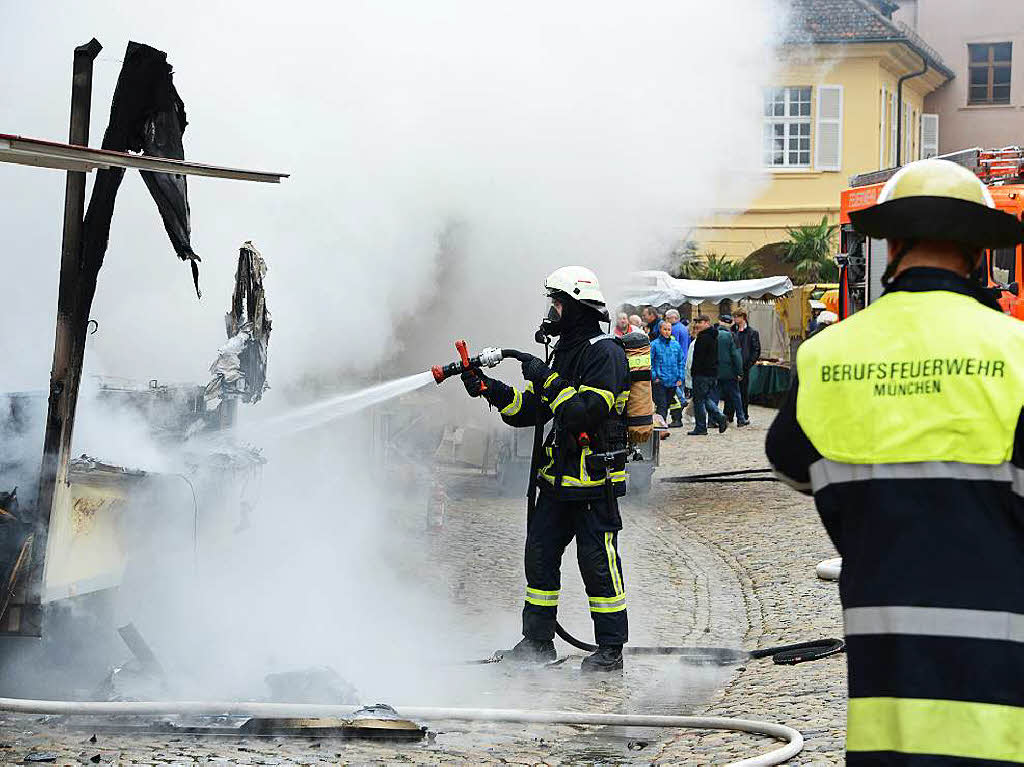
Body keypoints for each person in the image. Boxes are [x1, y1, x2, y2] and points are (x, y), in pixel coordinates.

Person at [765, 159, 1024, 765]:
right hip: (1004, 675)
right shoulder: (1016, 353)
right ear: (979, 252)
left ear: (892, 244)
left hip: (885, 670)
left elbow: (790, 462)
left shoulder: (829, 355)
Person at [462, 265, 630, 673]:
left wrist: (548, 379)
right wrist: (489, 389)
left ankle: (610, 648)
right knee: (539, 558)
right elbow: (532, 411)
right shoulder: (565, 353)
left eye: (558, 302)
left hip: (593, 481)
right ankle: (537, 641)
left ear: (576, 305)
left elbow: (583, 413)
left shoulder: (604, 352)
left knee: (597, 562)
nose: (552, 310)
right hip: (556, 482)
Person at [686, 315, 727, 435]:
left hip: (702, 374)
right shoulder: (713, 336)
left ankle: (702, 426)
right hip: (711, 373)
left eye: (700, 322)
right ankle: (719, 417)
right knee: (704, 398)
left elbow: (699, 359)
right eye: (697, 322)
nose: (698, 324)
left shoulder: (703, 338)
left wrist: (694, 372)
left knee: (699, 400)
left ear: (707, 323)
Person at [729, 309, 760, 424]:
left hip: (744, 367)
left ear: (743, 317)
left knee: (743, 392)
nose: (735, 319)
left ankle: (743, 415)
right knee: (730, 392)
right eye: (734, 316)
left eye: (737, 316)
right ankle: (729, 415)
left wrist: (748, 364)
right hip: (732, 366)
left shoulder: (752, 332)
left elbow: (756, 350)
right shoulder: (732, 330)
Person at [650, 320, 684, 425]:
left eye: (669, 329)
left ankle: (662, 424)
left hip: (672, 380)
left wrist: (680, 377)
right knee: (662, 405)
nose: (667, 332)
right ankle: (661, 427)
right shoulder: (654, 345)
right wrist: (654, 376)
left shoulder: (675, 345)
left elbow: (680, 361)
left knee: (668, 404)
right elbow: (650, 362)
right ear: (660, 330)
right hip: (659, 380)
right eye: (665, 329)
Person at [715, 314, 746, 427]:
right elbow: (736, 355)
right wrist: (739, 372)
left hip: (715, 372)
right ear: (730, 323)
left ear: (719, 322)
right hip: (730, 372)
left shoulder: (713, 335)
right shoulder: (732, 336)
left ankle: (713, 420)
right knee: (736, 396)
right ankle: (741, 419)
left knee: (714, 397)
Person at [665, 309, 690, 425]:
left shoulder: (674, 329)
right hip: (684, 359)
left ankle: (681, 402)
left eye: (667, 318)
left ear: (673, 318)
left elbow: (672, 346)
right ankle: (679, 412)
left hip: (675, 361)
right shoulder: (684, 328)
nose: (666, 320)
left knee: (673, 385)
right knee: (680, 384)